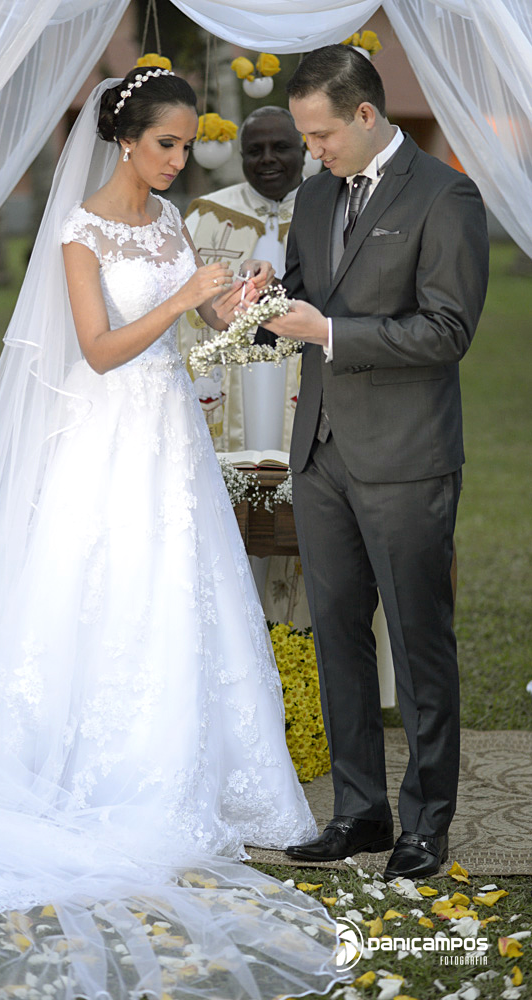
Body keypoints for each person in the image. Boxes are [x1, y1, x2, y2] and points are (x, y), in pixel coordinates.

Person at [0, 71, 343, 1000]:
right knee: (96, 583)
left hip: (169, 437)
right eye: (167, 144)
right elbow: (98, 349)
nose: (179, 159)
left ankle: (192, 765)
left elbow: (204, 317)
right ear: (125, 141)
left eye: (186, 145)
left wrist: (237, 294)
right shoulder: (79, 233)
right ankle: (78, 767)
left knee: (176, 588)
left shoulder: (167, 222)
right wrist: (180, 298)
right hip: (102, 436)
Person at [258, 45, 489, 880]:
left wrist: (328, 332)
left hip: (406, 457)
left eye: (321, 135)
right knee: (337, 639)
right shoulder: (315, 194)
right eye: (304, 136)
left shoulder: (444, 195)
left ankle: (425, 824)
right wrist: (262, 300)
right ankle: (358, 812)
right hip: (319, 452)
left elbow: (447, 331)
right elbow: (299, 296)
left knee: (419, 642)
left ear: (364, 114)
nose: (311, 151)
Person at [178, 106, 305, 455]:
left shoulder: (330, 208)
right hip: (230, 381)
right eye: (254, 150)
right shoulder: (207, 214)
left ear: (304, 149)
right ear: (242, 156)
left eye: (280, 147)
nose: (267, 158)